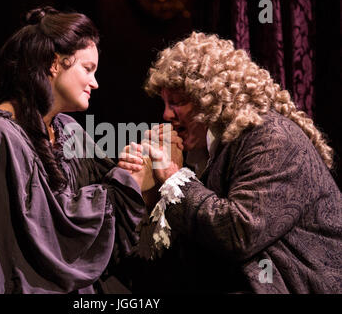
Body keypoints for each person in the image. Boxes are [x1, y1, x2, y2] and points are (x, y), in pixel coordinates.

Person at [0, 6, 147, 294]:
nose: (95, 83)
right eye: (88, 69)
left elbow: (109, 180)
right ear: (54, 63)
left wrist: (135, 164)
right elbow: (26, 242)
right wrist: (128, 183)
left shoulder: (67, 129)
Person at [119, 31, 342, 293]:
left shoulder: (272, 138)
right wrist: (149, 191)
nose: (167, 114)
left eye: (177, 102)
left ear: (212, 99)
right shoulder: (211, 148)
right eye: (165, 103)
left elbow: (239, 233)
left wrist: (172, 177)